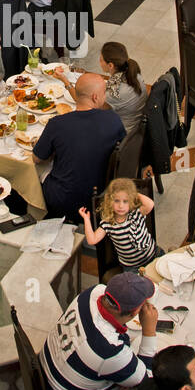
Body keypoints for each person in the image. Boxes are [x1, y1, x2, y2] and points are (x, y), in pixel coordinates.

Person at [39, 272, 157, 390]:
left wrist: (121, 371)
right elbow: (147, 382)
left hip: (56, 380)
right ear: (133, 313)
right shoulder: (109, 351)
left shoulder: (93, 293)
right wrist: (149, 330)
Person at [32, 73, 125, 221]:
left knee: (34, 173)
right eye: (104, 93)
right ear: (95, 97)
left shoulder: (57, 123)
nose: (105, 97)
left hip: (65, 198)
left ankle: (35, 216)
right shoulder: (113, 119)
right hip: (103, 193)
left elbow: (37, 158)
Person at [55, 41, 145, 135]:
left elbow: (85, 104)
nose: (99, 61)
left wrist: (65, 81)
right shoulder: (133, 73)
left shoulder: (116, 92)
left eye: (101, 59)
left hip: (125, 133)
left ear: (110, 65)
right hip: (135, 121)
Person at [79, 177, 158, 270]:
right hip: (132, 267)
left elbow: (150, 204)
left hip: (153, 256)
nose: (121, 206)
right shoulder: (108, 223)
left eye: (125, 201)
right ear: (110, 201)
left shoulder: (136, 213)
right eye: (117, 201)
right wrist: (86, 219)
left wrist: (133, 193)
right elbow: (92, 240)